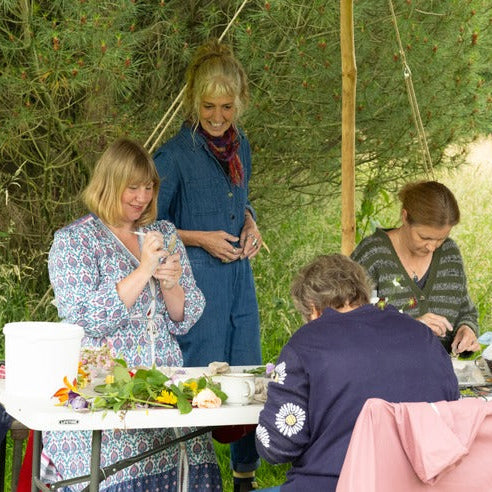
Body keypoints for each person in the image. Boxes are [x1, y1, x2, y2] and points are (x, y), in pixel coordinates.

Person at [46, 138, 222, 491]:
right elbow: (85, 319)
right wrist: (143, 270)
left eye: (149, 187)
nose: (142, 197)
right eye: (133, 188)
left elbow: (185, 317)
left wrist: (171, 283)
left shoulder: (164, 233)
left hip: (166, 382)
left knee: (194, 459)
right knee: (119, 472)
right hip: (105, 386)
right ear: (110, 185)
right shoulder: (75, 240)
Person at [153, 39, 262, 491]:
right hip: (194, 287)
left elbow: (241, 199)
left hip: (238, 280)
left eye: (227, 107)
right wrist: (200, 239)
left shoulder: (242, 147)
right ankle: (185, 471)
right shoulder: (173, 155)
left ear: (240, 103)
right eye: (209, 106)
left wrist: (252, 221)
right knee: (197, 379)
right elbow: (148, 226)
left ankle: (245, 476)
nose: (218, 117)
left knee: (248, 376)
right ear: (192, 101)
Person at [255, 254, 460, 492]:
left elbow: (277, 447)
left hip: (332, 484)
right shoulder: (423, 335)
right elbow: (451, 412)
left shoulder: (307, 343)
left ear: (313, 308)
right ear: (363, 293)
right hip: (418, 484)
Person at [351, 180, 480, 355]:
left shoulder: (449, 253)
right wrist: (409, 327)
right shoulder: (373, 255)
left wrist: (467, 329)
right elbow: (349, 323)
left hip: (442, 373)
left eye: (441, 238)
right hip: (386, 372)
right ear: (405, 217)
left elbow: (466, 311)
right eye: (424, 237)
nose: (432, 247)